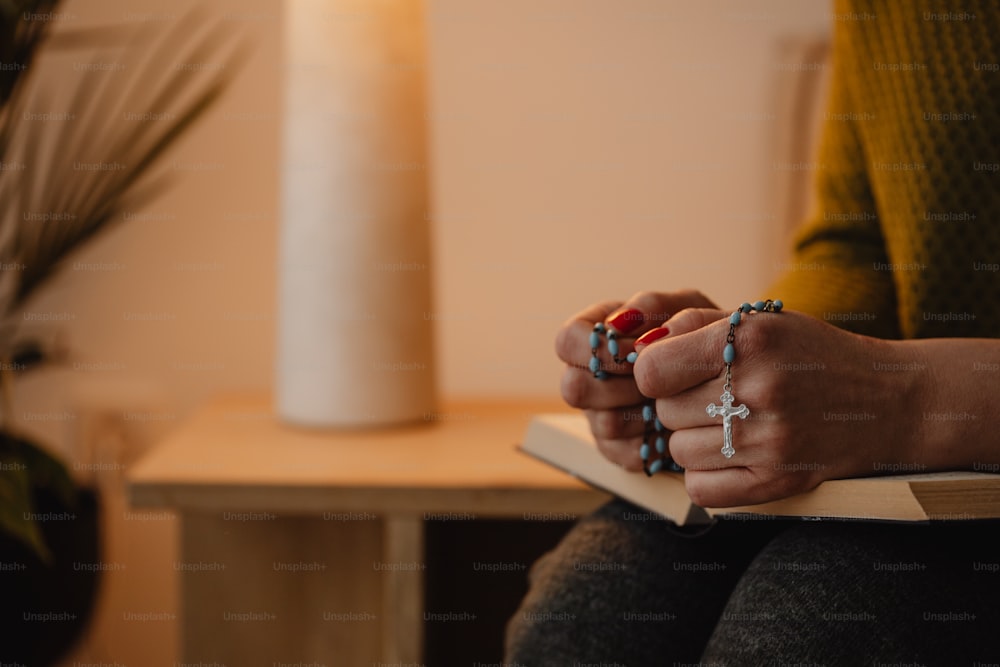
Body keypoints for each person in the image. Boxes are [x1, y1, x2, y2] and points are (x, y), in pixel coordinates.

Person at [504, 1, 1000, 664]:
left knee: (806, 623)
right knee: (589, 608)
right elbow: (857, 243)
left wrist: (902, 397)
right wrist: (729, 360)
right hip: (902, 465)